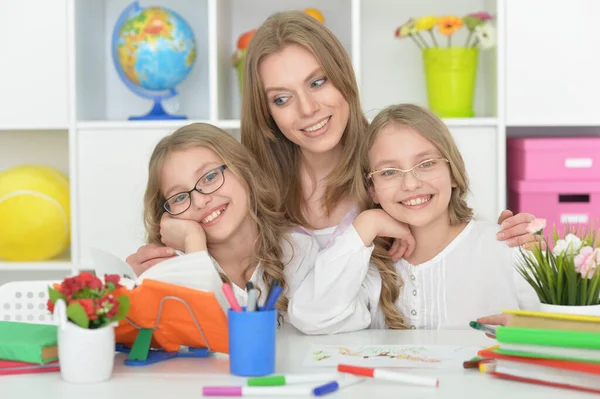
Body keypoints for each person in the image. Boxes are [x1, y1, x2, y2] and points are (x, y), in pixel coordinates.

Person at [126, 11, 537, 328]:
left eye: (318, 82)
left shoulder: (389, 165)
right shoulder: (251, 188)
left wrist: (510, 241)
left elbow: (455, 242)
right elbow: (220, 287)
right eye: (282, 99)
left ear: (343, 76)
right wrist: (174, 259)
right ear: (265, 113)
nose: (308, 110)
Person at [288, 104, 540, 333]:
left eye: (427, 164)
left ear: (453, 172)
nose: (410, 183)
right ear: (372, 189)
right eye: (389, 172)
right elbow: (311, 317)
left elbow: (562, 327)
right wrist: (366, 224)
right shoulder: (369, 269)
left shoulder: (508, 248)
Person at [135, 122, 376, 323]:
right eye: (179, 197)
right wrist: (193, 244)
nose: (199, 200)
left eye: (210, 177)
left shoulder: (298, 250)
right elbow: (211, 344)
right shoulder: (168, 269)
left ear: (243, 171)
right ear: (167, 215)